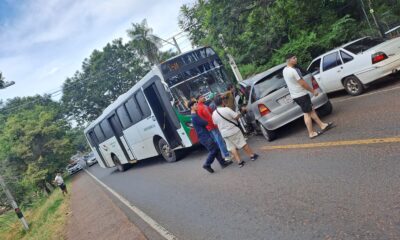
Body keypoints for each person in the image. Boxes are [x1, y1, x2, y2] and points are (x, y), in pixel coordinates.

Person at [283, 53, 334, 139]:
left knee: (311, 110)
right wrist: (313, 91)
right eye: (294, 58)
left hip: (296, 96)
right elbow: (302, 83)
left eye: (296, 57)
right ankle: (311, 133)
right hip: (301, 95)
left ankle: (322, 125)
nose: (296, 59)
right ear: (289, 60)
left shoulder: (285, 70)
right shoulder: (293, 71)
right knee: (307, 113)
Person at [212, 96, 259, 167]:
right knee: (242, 143)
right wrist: (242, 111)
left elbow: (215, 123)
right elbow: (237, 116)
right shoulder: (226, 109)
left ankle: (239, 162)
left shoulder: (214, 113)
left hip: (224, 134)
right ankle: (252, 156)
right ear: (222, 102)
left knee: (231, 147)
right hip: (233, 130)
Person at [189, 100, 232, 173]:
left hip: (205, 135)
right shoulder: (194, 117)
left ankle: (222, 163)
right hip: (204, 137)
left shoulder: (194, 116)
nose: (197, 106)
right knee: (213, 150)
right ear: (191, 107)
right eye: (195, 105)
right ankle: (207, 164)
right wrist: (205, 121)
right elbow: (204, 122)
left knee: (216, 149)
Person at [196, 95, 231, 161]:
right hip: (212, 126)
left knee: (218, 141)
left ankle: (226, 154)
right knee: (220, 141)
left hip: (212, 126)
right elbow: (205, 119)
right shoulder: (200, 108)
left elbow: (211, 113)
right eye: (202, 97)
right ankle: (226, 155)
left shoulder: (203, 106)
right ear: (198, 99)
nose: (204, 97)